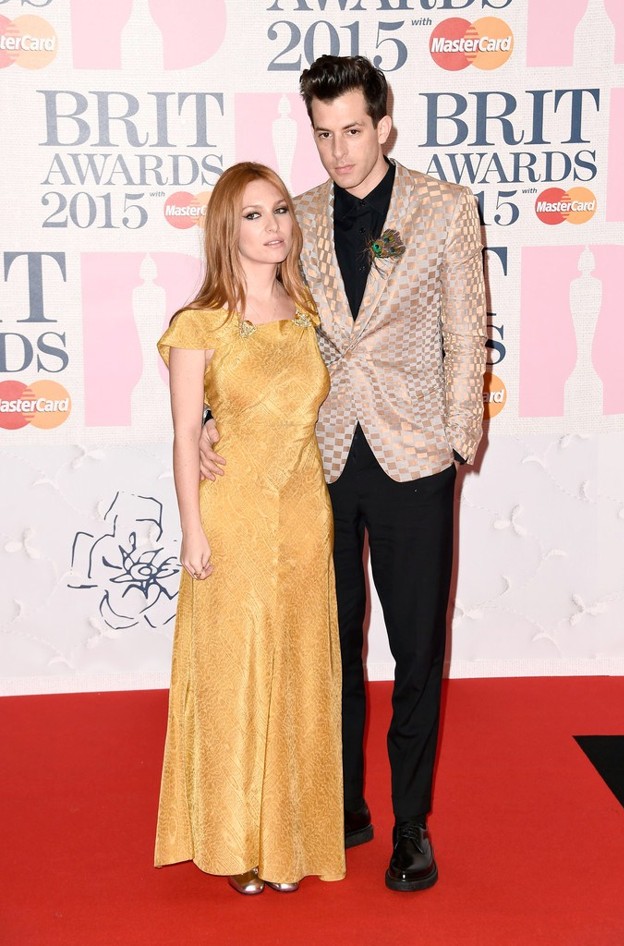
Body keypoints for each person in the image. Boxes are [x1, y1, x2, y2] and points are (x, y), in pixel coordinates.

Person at [200, 56, 487, 892]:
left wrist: (456, 440)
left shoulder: (444, 209)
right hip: (314, 464)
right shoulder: (299, 216)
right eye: (323, 134)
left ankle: (411, 827)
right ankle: (343, 805)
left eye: (353, 131)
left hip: (413, 460)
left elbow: (467, 334)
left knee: (416, 652)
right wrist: (217, 410)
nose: (339, 152)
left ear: (384, 126)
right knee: (328, 649)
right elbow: (253, 321)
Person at [155, 162, 345, 895]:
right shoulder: (198, 324)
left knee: (298, 669)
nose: (274, 228)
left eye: (280, 213)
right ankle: (236, 841)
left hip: (302, 515)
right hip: (230, 517)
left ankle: (287, 839)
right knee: (236, 675)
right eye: (254, 217)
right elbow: (181, 437)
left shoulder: (309, 314)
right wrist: (191, 530)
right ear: (225, 232)